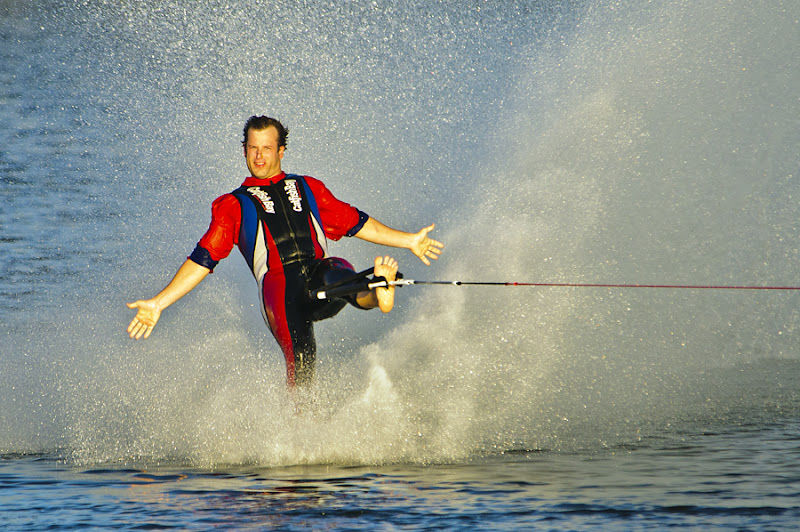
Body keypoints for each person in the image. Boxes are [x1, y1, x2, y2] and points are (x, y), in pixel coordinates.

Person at [127, 115, 443, 387]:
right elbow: (203, 258)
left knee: (341, 271)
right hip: (280, 291)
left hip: (319, 272)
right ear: (244, 151)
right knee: (302, 360)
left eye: (266, 148)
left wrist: (409, 241)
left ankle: (377, 291)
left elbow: (356, 222)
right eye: (253, 148)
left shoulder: (307, 187)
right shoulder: (234, 205)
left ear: (281, 150)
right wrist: (158, 303)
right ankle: (301, 434)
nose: (259, 156)